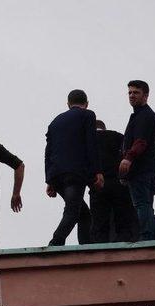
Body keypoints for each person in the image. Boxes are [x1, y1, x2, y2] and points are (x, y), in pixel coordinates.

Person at [45, 89, 103, 246]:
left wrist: (49, 180)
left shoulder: (55, 122)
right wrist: (97, 171)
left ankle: (86, 246)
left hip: (56, 175)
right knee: (72, 211)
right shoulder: (88, 115)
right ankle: (56, 242)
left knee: (84, 214)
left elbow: (48, 152)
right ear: (87, 104)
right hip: (75, 174)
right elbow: (91, 143)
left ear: (68, 104)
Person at [119, 80, 155, 241]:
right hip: (148, 169)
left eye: (135, 92)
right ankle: (151, 238)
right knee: (146, 205)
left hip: (142, 170)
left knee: (142, 204)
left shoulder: (144, 115)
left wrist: (128, 159)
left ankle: (147, 238)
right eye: (129, 92)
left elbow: (141, 141)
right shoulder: (140, 115)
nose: (131, 95)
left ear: (146, 95)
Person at [89, 120, 138, 243]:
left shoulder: (88, 141)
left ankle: (100, 250)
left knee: (99, 223)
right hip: (119, 184)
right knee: (123, 221)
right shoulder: (117, 137)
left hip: (98, 185)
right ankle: (122, 245)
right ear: (104, 128)